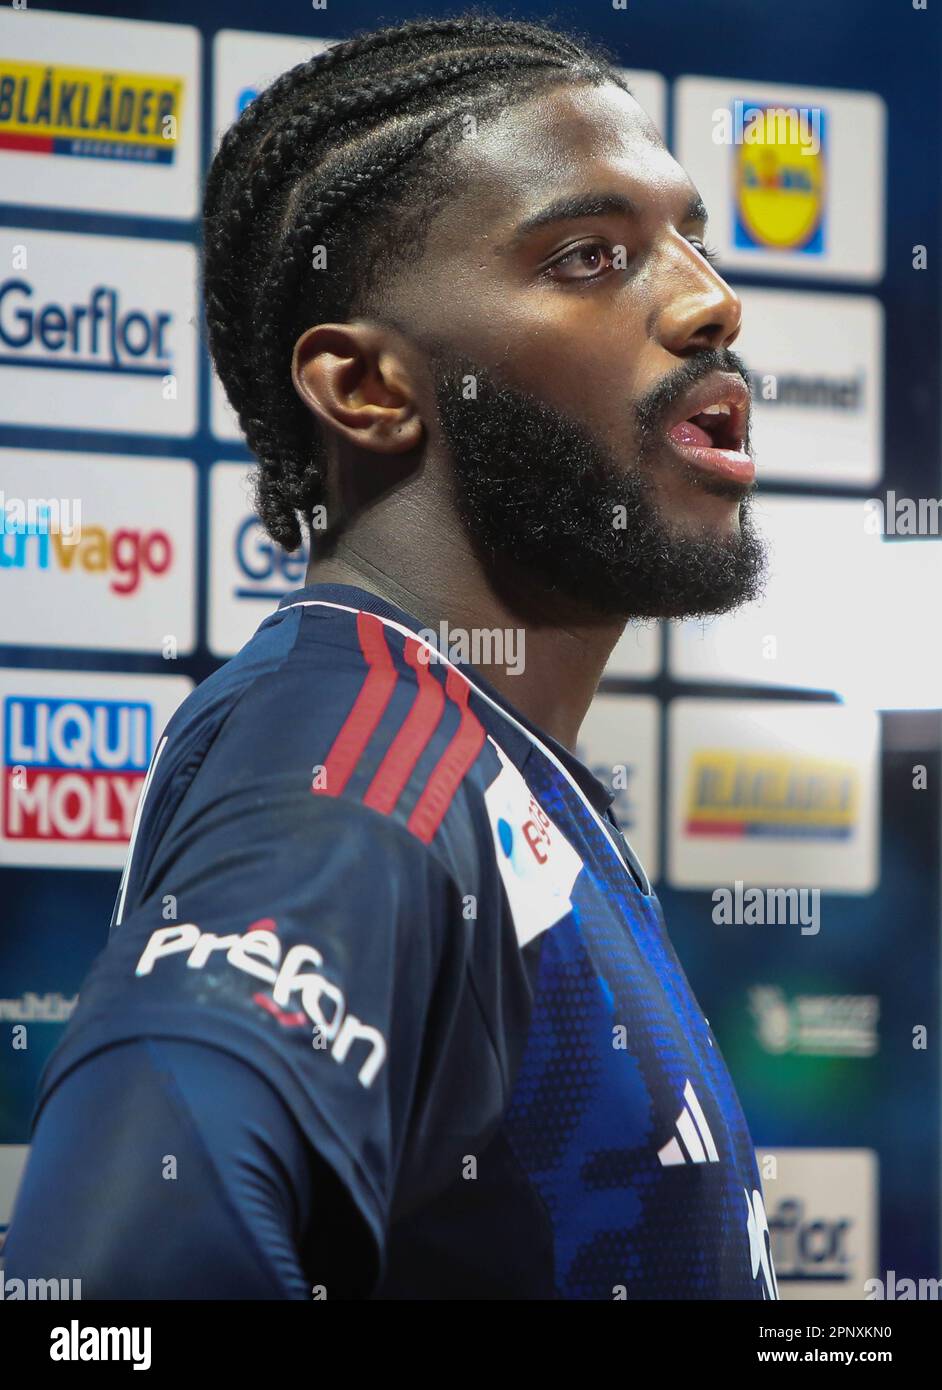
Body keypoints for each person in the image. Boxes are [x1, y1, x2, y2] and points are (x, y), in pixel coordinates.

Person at [5, 11, 776, 1300]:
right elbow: (107, 1294)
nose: (711, 302)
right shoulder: (355, 748)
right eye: (592, 256)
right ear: (367, 390)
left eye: (690, 238)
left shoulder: (480, 759)